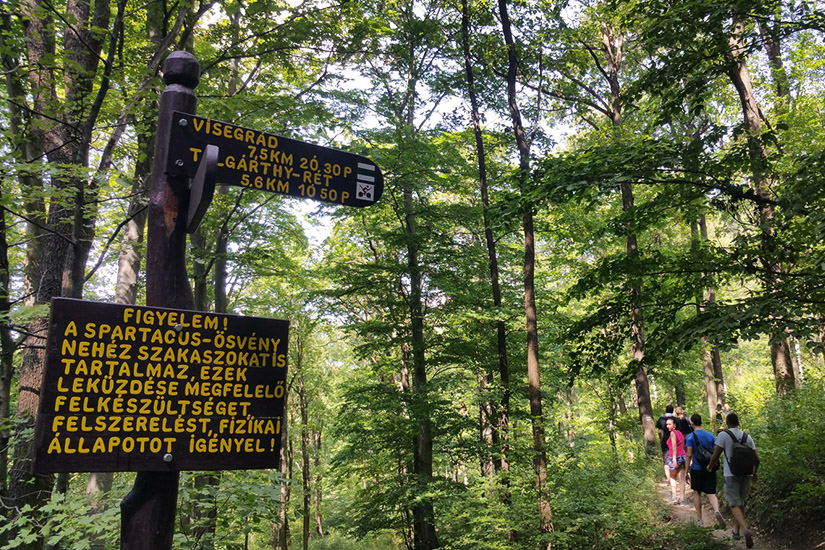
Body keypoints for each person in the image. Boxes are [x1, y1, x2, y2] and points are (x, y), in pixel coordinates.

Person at [707, 413, 760, 548]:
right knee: (741, 502)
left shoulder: (723, 435)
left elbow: (716, 454)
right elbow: (757, 458)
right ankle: (736, 531)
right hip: (746, 473)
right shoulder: (747, 437)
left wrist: (710, 466)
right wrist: (754, 473)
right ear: (738, 422)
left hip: (731, 474)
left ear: (727, 422)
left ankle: (745, 530)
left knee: (734, 504)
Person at [685, 414, 725, 528]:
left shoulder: (690, 437)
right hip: (709, 467)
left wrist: (686, 471)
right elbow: (716, 450)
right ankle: (717, 510)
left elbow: (688, 455)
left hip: (697, 469)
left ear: (692, 423)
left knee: (697, 492)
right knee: (711, 492)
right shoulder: (710, 435)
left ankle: (699, 520)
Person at [665, 416, 687, 504]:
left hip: (675, 457)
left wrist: (674, 459)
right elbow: (683, 446)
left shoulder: (673, 433)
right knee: (682, 478)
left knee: (673, 477)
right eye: (667, 424)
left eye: (669, 424)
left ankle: (674, 496)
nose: (667, 426)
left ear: (674, 425)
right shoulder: (680, 433)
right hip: (682, 456)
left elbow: (674, 446)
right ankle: (682, 498)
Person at [656, 405, 676, 482]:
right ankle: (675, 476)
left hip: (665, 441)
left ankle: (668, 478)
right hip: (675, 441)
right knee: (675, 457)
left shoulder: (661, 419)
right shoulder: (675, 419)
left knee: (666, 459)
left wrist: (661, 439)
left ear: (665, 410)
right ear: (672, 410)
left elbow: (659, 431)